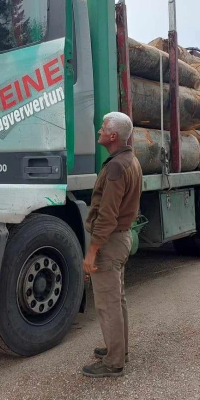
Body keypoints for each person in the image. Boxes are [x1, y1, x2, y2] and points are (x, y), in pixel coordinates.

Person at [82, 112, 143, 378]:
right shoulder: (129, 160)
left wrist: (92, 252)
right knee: (117, 299)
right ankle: (119, 349)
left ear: (113, 136)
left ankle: (114, 361)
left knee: (108, 303)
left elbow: (107, 215)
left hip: (111, 240)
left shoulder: (117, 167)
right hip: (121, 237)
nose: (99, 131)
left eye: (103, 128)